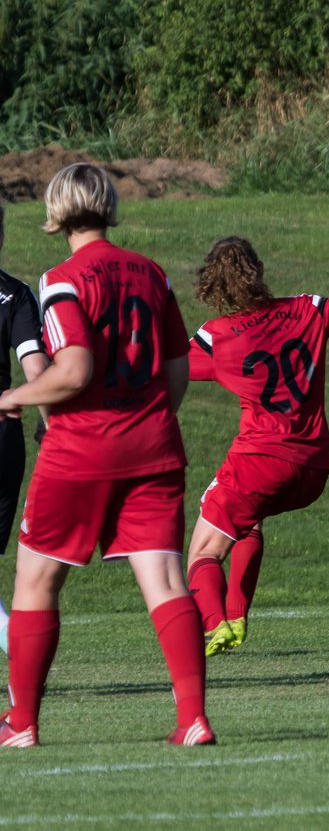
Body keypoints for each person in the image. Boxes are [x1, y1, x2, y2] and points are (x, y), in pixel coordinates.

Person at [0, 163, 212, 748]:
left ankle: (22, 725)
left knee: (36, 581)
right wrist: (147, 418)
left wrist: (13, 395)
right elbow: (176, 371)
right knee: (167, 580)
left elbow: (74, 372)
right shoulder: (153, 274)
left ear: (56, 212)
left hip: (81, 448)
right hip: (154, 446)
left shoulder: (61, 278)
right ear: (108, 205)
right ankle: (193, 718)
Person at [185, 236, 329, 656]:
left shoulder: (217, 335)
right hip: (312, 470)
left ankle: (216, 625)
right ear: (260, 271)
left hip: (258, 463)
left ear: (212, 286)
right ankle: (236, 616)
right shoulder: (308, 308)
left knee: (202, 555)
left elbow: (164, 369)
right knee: (247, 523)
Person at [0, 202, 51, 656]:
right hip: (4, 440)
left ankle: (19, 656)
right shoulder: (14, 295)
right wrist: (49, 425)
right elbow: (37, 372)